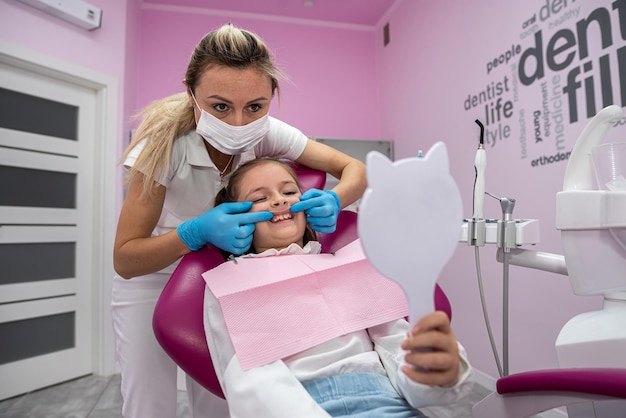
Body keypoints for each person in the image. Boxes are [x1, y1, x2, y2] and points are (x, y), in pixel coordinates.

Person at [112, 24, 366, 418]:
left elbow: (353, 168)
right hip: (153, 276)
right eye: (219, 106)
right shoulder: (161, 149)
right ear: (191, 93)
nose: (237, 123)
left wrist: (336, 198)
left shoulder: (264, 134)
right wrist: (194, 232)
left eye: (255, 106)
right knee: (149, 405)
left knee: (219, 398)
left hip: (223, 276)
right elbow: (126, 260)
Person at [203, 158, 474, 418]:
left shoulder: (350, 265)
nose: (279, 200)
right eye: (259, 198)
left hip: (386, 401)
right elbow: (249, 379)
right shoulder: (230, 283)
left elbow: (396, 344)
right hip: (298, 406)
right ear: (234, 218)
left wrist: (435, 376)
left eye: (289, 191)